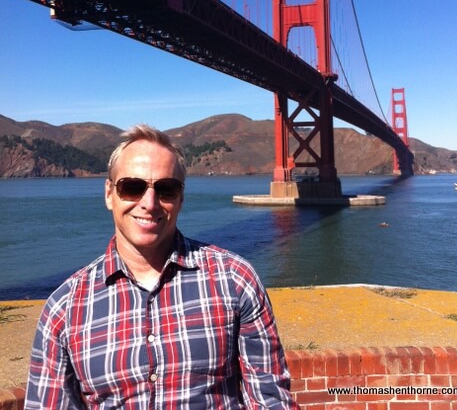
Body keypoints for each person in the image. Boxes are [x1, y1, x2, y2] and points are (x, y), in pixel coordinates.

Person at [25, 124, 298, 409]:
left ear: (181, 198)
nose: (149, 203)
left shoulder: (236, 280)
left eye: (166, 189)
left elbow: (271, 400)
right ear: (109, 194)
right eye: (132, 187)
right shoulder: (63, 309)